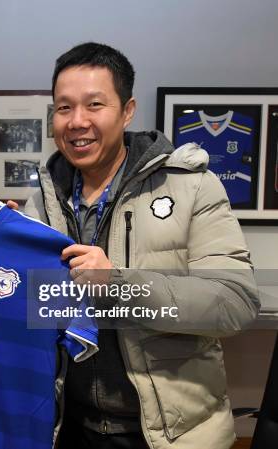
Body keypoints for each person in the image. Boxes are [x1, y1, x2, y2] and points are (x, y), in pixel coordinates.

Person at [24, 42, 259, 449]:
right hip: (67, 429)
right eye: (63, 108)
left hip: (169, 436)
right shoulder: (41, 200)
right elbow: (32, 309)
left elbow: (234, 301)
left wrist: (119, 285)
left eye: (94, 104)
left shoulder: (192, 186)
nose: (77, 121)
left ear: (127, 110)